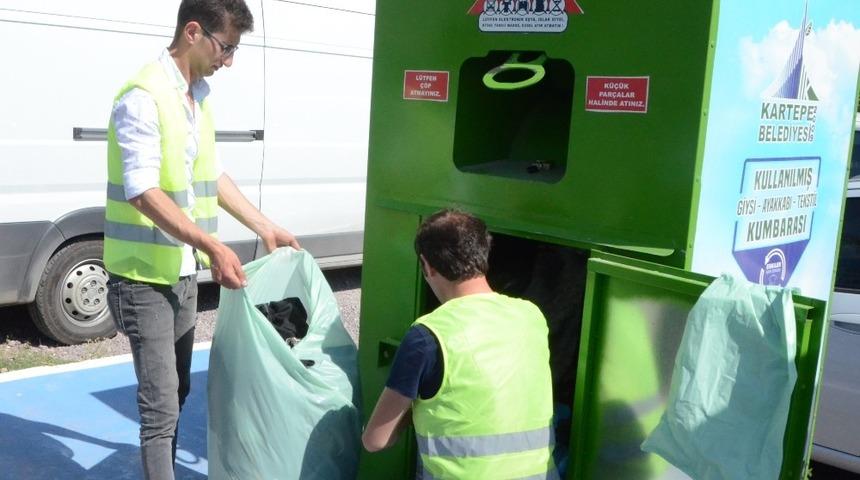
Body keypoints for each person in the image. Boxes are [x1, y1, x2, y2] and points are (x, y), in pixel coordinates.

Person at [103, 1, 300, 478]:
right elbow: (142, 191)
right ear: (193, 32)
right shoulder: (143, 97)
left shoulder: (198, 96)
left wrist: (263, 226)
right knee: (160, 406)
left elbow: (211, 175)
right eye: (226, 47)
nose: (229, 60)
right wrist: (214, 246)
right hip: (141, 277)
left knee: (179, 391)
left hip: (182, 272)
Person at [361, 209, 557, 479]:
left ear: (427, 265)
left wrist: (415, 410)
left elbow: (376, 440)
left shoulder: (428, 335)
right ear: (484, 253)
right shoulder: (531, 315)